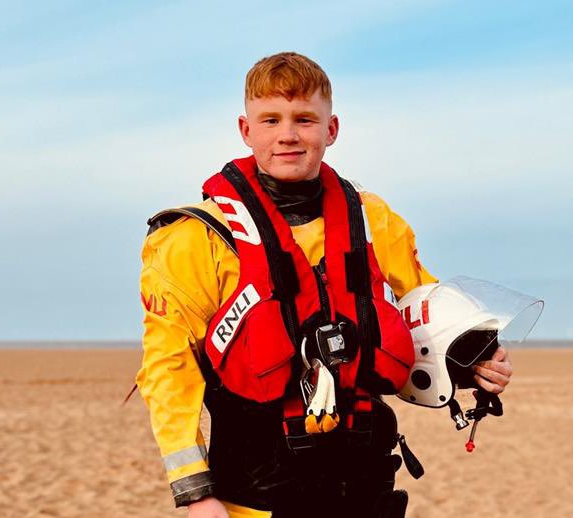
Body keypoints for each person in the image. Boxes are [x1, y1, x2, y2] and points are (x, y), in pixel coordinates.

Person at [137, 52, 513, 518]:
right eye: (270, 119)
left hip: (366, 484)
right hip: (255, 493)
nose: (288, 134)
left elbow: (429, 310)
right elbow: (168, 368)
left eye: (305, 119)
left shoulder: (372, 219)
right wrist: (196, 492)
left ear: (331, 129)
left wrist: (477, 360)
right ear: (245, 129)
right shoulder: (194, 237)